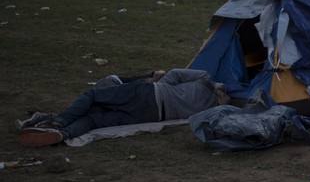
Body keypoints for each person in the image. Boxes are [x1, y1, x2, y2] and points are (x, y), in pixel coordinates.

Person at [17, 68, 230, 147]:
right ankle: (62, 134)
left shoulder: (205, 78)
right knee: (93, 120)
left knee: (93, 96)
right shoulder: (212, 109)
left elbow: (174, 74)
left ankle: (59, 120)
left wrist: (158, 79)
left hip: (150, 94)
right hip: (154, 115)